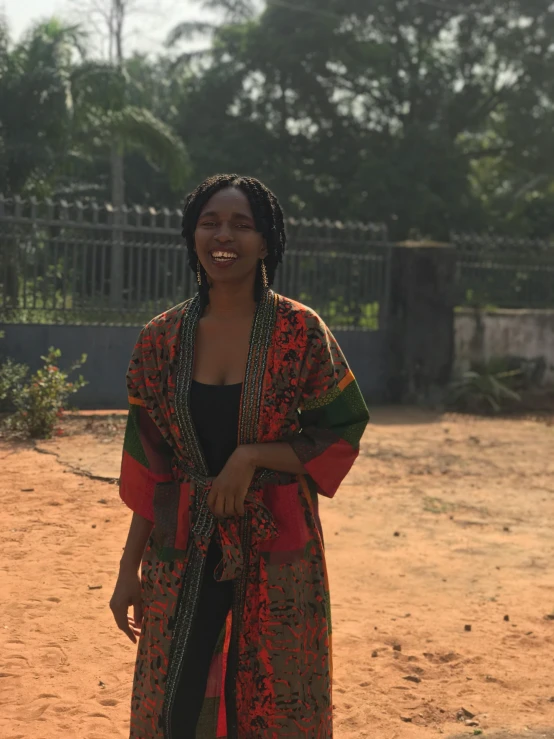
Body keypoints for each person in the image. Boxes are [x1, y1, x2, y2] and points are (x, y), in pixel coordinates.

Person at [109, 174, 370, 739]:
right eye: (209, 222)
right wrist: (129, 568)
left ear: (266, 241)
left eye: (241, 224)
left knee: (276, 699)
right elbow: (152, 467)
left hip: (279, 545)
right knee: (173, 701)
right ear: (191, 234)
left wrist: (250, 456)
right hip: (181, 543)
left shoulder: (300, 331)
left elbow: (342, 430)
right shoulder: (161, 339)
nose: (223, 236)